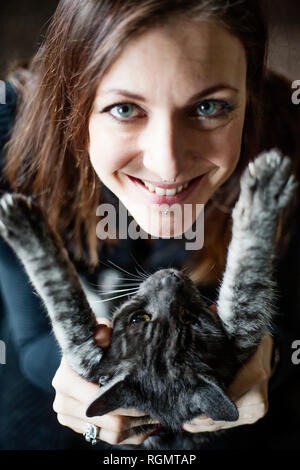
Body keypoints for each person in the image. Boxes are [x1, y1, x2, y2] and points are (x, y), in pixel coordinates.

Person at [0, 0, 299, 450]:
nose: (168, 165)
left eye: (210, 106)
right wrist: (75, 378)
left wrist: (270, 361)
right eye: (124, 109)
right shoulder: (8, 145)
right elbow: (30, 335)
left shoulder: (289, 146)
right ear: (73, 99)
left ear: (248, 91)